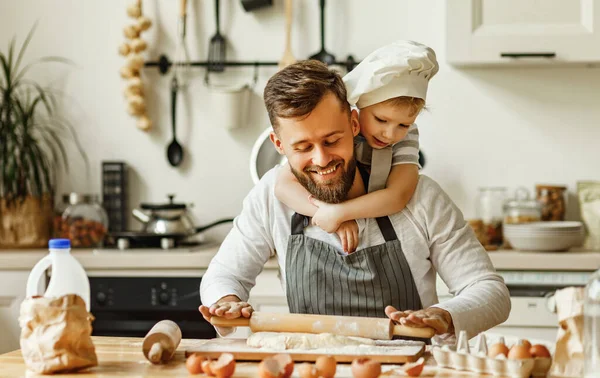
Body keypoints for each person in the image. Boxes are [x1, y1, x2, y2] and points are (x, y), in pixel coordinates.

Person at [199, 59, 510, 344]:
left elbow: (490, 290)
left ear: (354, 124)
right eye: (303, 147)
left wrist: (444, 315)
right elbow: (224, 274)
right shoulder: (271, 198)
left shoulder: (421, 197)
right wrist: (225, 301)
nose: (321, 160)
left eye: (332, 140)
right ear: (279, 144)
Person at [274, 41, 437, 254]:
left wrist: (341, 213)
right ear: (357, 113)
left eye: (404, 125)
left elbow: (398, 195)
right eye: (380, 120)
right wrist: (327, 213)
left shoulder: (405, 140)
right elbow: (282, 186)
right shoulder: (338, 132)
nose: (390, 134)